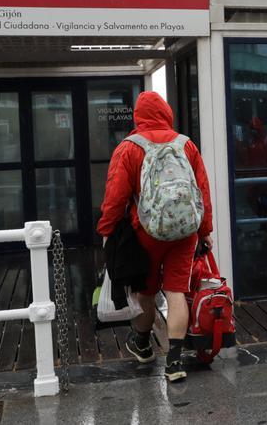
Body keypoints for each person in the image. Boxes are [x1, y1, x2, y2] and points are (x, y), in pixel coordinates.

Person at [98, 91, 214, 383]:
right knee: (176, 291)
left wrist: (107, 231)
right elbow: (202, 190)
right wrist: (205, 230)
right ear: (165, 112)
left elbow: (115, 196)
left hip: (146, 232)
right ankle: (174, 363)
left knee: (146, 293)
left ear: (138, 116)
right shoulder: (185, 144)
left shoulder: (128, 147)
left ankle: (143, 345)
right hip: (185, 233)